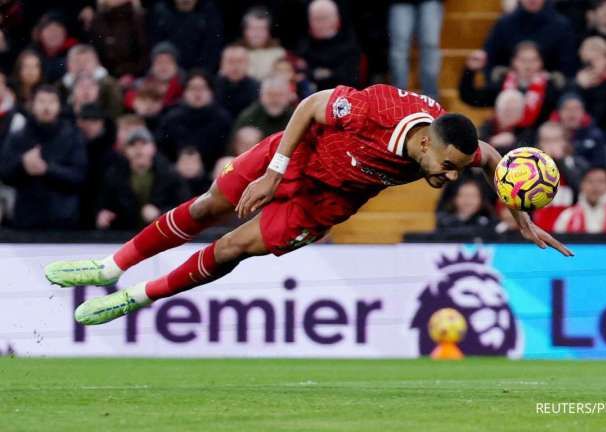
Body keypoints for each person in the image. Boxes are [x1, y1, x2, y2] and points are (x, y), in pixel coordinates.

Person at [44, 84, 571, 326]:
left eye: (455, 168)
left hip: (327, 202)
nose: (451, 176)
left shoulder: (449, 148)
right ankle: (108, 265)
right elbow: (310, 105)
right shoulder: (376, 111)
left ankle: (134, 296)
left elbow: (492, 158)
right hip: (294, 156)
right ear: (426, 143)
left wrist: (522, 220)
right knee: (208, 207)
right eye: (447, 166)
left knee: (231, 248)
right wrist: (275, 171)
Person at [0, 85, 86, 229]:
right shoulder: (18, 136)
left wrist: (47, 170)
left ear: (59, 106)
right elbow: (4, 173)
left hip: (64, 221)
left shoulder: (72, 136)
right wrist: (22, 164)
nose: (46, 107)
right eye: (41, 101)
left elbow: (79, 175)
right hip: (26, 220)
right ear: (32, 105)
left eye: (52, 102)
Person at [96, 127, 190, 230]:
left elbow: (183, 207)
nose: (138, 149)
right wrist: (103, 214)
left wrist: (160, 213)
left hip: (162, 234)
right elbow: (104, 204)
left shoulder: (170, 174)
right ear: (125, 150)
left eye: (143, 144)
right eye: (133, 145)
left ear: (153, 148)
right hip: (125, 235)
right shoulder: (114, 175)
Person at [460, 41, 564, 126]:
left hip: (537, 145)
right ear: (514, 62)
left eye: (534, 60)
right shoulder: (502, 85)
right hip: (502, 140)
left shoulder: (551, 88)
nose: (528, 65)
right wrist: (470, 71)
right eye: (523, 60)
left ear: (541, 63)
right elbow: (471, 98)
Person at [155, 71, 232, 171]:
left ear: (211, 92)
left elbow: (226, 151)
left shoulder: (222, 119)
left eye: (202, 88)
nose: (197, 93)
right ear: (185, 93)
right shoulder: (171, 119)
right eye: (192, 88)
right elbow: (162, 151)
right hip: (177, 172)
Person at [482, 0, 576, 77]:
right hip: (508, 88)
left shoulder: (561, 25)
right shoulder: (504, 23)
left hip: (550, 90)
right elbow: (489, 59)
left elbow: (568, 65)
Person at [296, 0, 361, 91]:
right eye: (316, 19)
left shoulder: (349, 47)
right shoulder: (303, 47)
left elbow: (348, 78)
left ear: (336, 19)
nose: (320, 24)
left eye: (324, 18)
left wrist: (317, 74)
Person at [388, 0, 444, 100]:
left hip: (430, 2)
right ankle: (398, 101)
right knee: (399, 51)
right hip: (399, 3)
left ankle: (431, 101)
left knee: (430, 46)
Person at [149, 0, 223, 72]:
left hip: (201, 74)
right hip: (170, 72)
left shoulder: (210, 12)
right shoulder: (161, 12)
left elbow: (213, 48)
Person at [76, 103, 118, 228]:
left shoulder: (113, 157)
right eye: (85, 120)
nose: (89, 125)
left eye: (94, 120)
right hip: (71, 217)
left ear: (102, 124)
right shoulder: (70, 150)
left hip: (103, 219)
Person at [554, 167, 606, 233]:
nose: (595, 186)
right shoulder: (567, 216)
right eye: (590, 181)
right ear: (582, 185)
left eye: (600, 181)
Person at [89, 0, 149, 77]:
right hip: (106, 77)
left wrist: (133, 74)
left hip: (136, 76)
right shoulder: (97, 20)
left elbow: (144, 52)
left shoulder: (138, 18)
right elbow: (96, 53)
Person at [478, 89, 535, 154]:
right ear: (498, 110)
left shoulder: (526, 131)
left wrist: (513, 142)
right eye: (506, 109)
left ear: (521, 113)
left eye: (514, 110)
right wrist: (493, 142)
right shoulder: (487, 126)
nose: (510, 114)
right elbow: (479, 148)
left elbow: (526, 153)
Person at [214, 44, 260, 119]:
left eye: (240, 61)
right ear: (222, 64)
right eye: (230, 61)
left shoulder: (257, 87)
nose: (235, 66)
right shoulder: (212, 87)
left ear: (247, 63)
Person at [240, 7, 286, 81]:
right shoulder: (234, 54)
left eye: (262, 29)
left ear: (268, 32)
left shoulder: (279, 53)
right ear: (245, 30)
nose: (257, 33)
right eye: (253, 28)